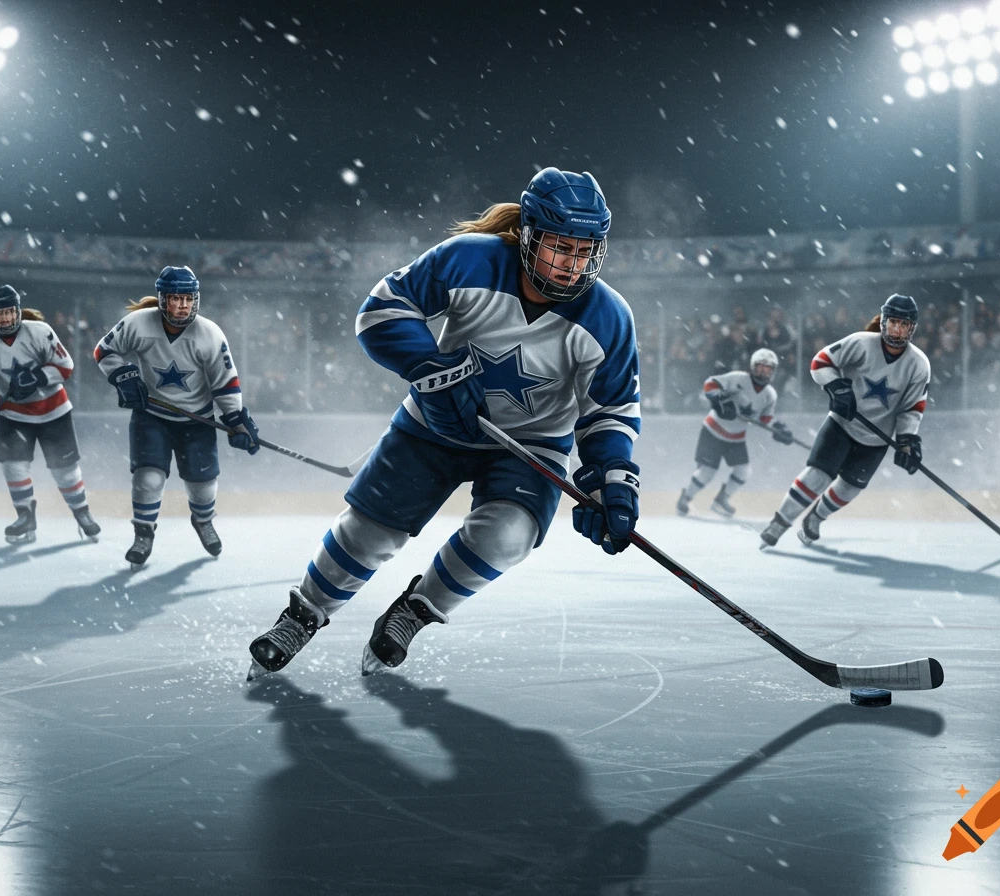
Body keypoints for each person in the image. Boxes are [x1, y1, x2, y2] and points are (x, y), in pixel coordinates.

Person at [247, 167, 641, 680]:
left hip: (531, 444)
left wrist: (612, 479)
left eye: (586, 250)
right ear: (528, 234)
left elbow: (609, 410)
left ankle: (414, 610)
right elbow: (381, 310)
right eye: (561, 247)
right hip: (437, 421)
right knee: (370, 530)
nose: (573, 265)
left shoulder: (610, 316)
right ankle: (303, 614)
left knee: (507, 537)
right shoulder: (470, 259)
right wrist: (432, 372)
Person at [93, 265, 259, 566]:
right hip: (151, 416)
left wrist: (235, 420)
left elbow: (225, 381)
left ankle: (203, 520)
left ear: (195, 300)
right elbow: (103, 351)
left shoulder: (209, 334)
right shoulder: (138, 324)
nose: (182, 305)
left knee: (203, 486)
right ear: (162, 299)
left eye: (187, 299)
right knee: (148, 478)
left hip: (197, 420)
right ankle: (143, 533)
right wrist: (121, 374)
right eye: (175, 299)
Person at [759, 295, 929, 548]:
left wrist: (905, 441)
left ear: (912, 328)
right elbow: (820, 362)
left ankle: (815, 518)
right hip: (842, 424)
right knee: (816, 476)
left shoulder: (919, 364)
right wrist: (836, 387)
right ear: (883, 322)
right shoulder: (861, 343)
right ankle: (780, 522)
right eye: (893, 322)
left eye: (904, 324)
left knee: (850, 488)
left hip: (876, 438)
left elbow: (912, 408)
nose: (898, 329)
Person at [0, 285, 100, 544]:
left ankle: (82, 513)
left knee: (65, 470)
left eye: (8, 313)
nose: (3, 319)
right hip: (13, 415)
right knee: (13, 467)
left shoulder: (40, 332)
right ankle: (25, 516)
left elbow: (66, 366)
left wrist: (38, 377)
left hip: (53, 410)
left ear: (18, 311)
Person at [676, 348, 794, 519]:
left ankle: (721, 499)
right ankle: (685, 498)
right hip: (713, 430)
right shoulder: (738, 378)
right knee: (707, 471)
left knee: (743, 471)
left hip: (736, 437)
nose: (764, 371)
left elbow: (765, 419)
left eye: (768, 368)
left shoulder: (770, 395)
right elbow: (710, 383)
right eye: (761, 367)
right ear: (753, 367)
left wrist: (779, 429)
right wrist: (718, 402)